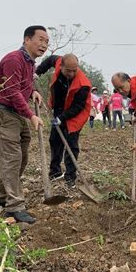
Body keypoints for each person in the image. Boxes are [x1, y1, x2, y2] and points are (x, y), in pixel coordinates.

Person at [0, 25, 47, 224]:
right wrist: (31, 115)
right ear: (27, 40)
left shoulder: (30, 64)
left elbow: (24, 85)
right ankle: (14, 207)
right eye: (40, 39)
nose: (44, 44)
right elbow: (12, 92)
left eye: (46, 41)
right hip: (2, 114)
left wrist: (33, 92)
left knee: (21, 158)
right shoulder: (14, 59)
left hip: (14, 115)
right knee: (12, 159)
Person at [35, 53, 91, 188]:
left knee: (71, 144)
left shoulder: (83, 84)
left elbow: (78, 106)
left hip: (75, 114)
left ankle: (70, 177)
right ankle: (55, 172)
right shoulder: (57, 60)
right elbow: (48, 60)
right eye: (68, 71)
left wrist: (62, 118)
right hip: (59, 108)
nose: (71, 73)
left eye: (74, 70)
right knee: (55, 140)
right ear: (61, 66)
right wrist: (37, 73)